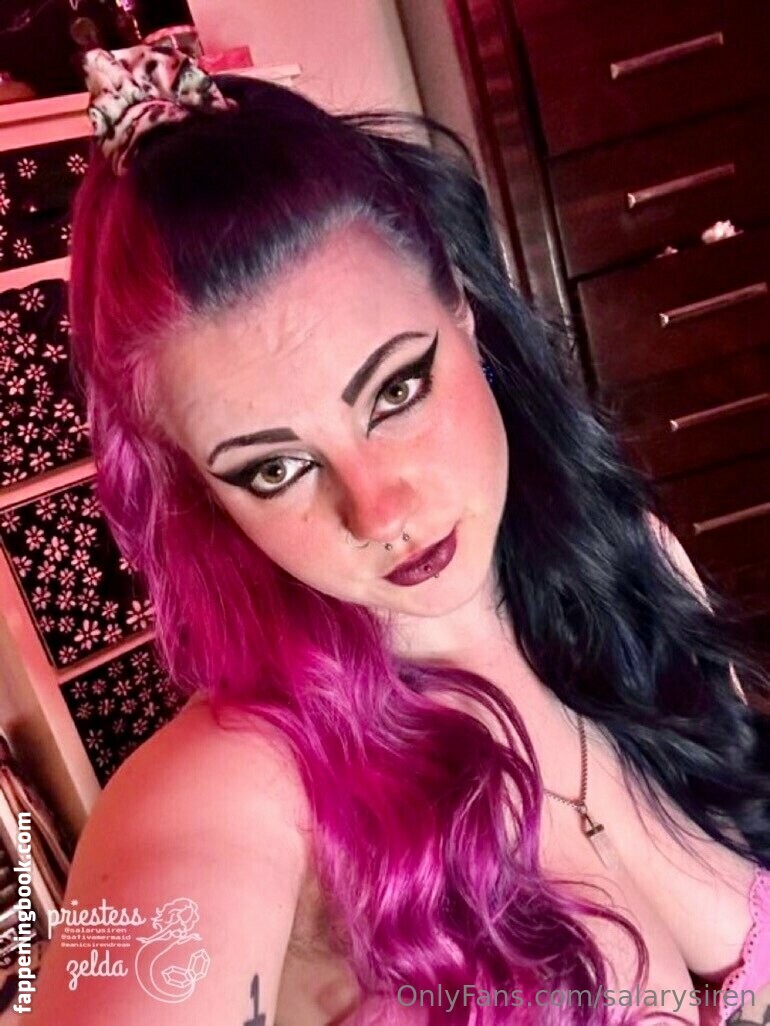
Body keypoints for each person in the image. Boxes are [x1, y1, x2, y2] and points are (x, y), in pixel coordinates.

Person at [27, 44, 770, 1026]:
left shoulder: (634, 568)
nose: (378, 510)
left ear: (460, 307)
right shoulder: (229, 792)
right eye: (274, 469)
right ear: (203, 491)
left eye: (396, 390)